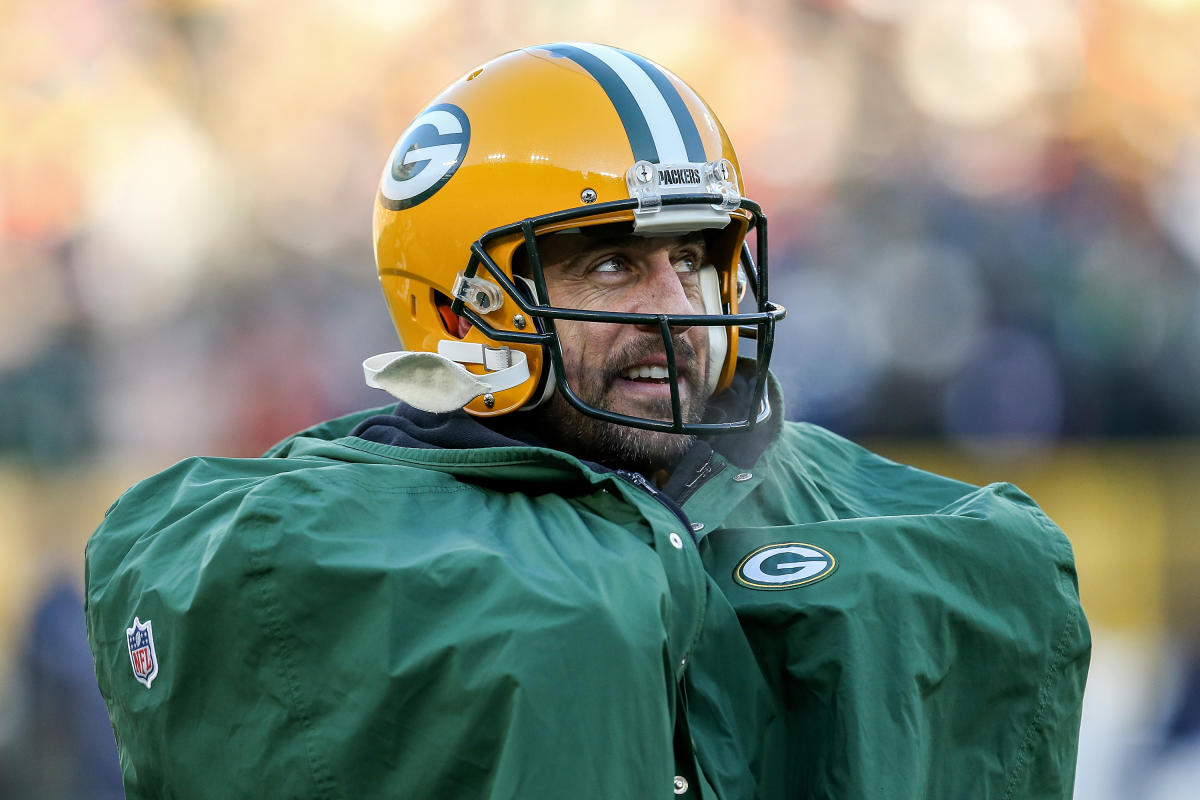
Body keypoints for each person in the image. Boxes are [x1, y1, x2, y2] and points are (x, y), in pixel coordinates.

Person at [85, 43, 1089, 799]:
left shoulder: (855, 501)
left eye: (694, 257)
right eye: (612, 262)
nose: (676, 306)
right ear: (460, 302)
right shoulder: (295, 533)